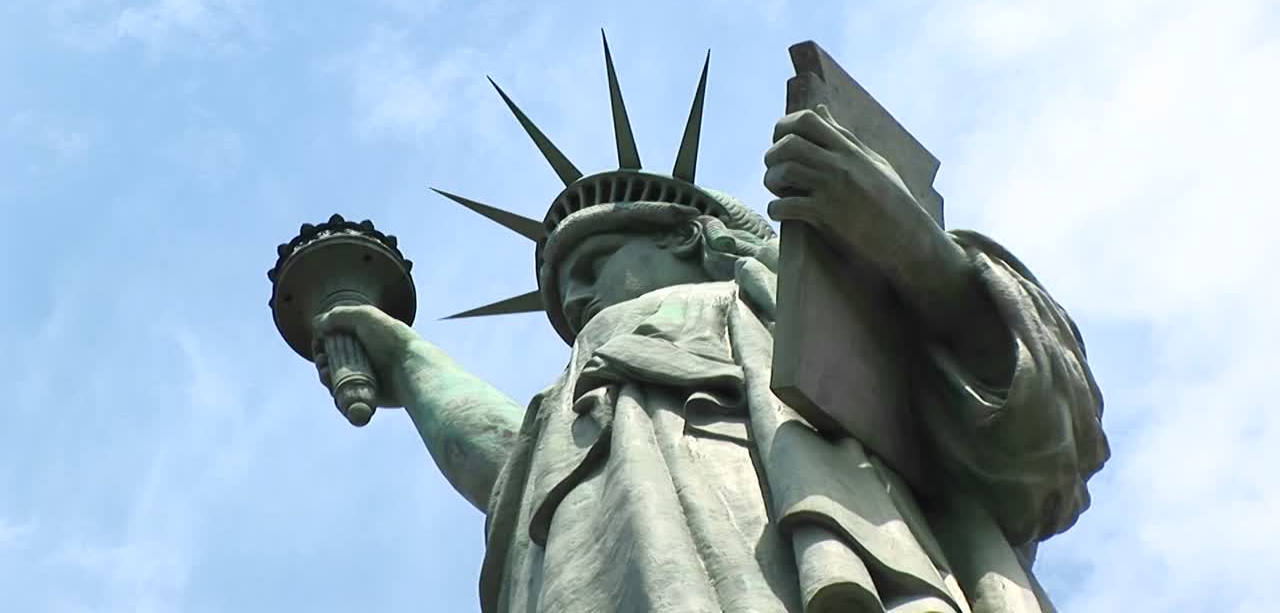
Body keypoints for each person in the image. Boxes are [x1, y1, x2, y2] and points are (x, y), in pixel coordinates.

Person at [310, 63, 1108, 613]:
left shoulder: (777, 304)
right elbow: (515, 482)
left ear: (688, 240)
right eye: (561, 294)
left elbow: (1042, 438)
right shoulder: (574, 399)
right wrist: (409, 362)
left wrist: (908, 248)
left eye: (592, 262)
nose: (576, 299)